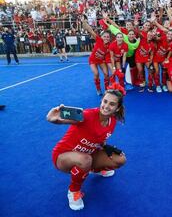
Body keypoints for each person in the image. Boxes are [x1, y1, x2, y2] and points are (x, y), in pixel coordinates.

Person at [47, 83, 127, 211]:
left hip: (87, 155)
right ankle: (73, 191)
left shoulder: (112, 122)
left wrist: (105, 148)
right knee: (85, 160)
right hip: (63, 156)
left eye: (111, 104)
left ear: (117, 108)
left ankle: (95, 169)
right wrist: (53, 118)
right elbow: (61, 120)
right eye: (105, 101)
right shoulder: (87, 115)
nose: (106, 106)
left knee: (120, 159)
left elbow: (100, 139)